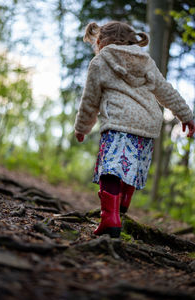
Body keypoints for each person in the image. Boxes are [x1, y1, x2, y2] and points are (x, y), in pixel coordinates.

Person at [74, 21, 195, 238]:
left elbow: (90, 100)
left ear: (100, 41)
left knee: (110, 169)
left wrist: (82, 126)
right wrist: (185, 115)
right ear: (132, 41)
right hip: (147, 123)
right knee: (132, 165)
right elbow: (165, 90)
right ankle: (122, 205)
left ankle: (110, 219)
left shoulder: (100, 61)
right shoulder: (145, 60)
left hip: (119, 122)